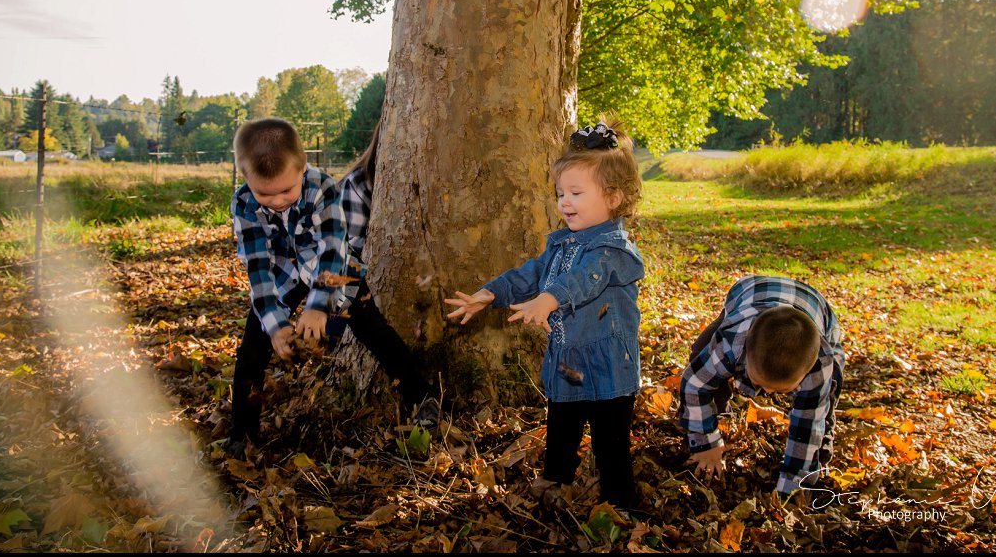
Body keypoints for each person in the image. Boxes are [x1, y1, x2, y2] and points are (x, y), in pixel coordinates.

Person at [444, 122, 645, 509]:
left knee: (611, 440)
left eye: (576, 193)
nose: (565, 202)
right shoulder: (563, 243)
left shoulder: (613, 249)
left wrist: (549, 300)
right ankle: (557, 480)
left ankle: (621, 502)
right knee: (562, 426)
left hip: (609, 364)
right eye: (560, 193)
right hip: (569, 358)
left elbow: (585, 280)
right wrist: (490, 293)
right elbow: (530, 274)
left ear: (614, 197)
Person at [223, 117, 350, 458]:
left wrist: (317, 304)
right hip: (279, 276)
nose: (277, 201)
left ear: (303, 168)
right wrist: (276, 325)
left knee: (368, 319)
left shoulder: (321, 186)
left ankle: (419, 394)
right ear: (246, 179)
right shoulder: (244, 203)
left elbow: (334, 248)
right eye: (265, 193)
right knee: (252, 349)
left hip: (325, 270)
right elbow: (258, 269)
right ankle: (241, 432)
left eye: (286, 190)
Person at [678, 275, 844, 500]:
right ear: (745, 352)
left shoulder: (819, 367)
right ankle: (716, 415)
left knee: (827, 400)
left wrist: (791, 489)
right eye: (758, 383)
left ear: (806, 373)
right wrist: (705, 443)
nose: (768, 393)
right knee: (702, 353)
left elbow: (808, 425)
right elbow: (694, 384)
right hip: (749, 293)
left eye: (782, 391)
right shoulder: (732, 341)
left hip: (818, 309)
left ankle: (820, 457)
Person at [334, 122, 440, 428]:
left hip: (350, 281)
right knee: (356, 318)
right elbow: (350, 250)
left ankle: (421, 395)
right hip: (336, 273)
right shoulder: (359, 183)